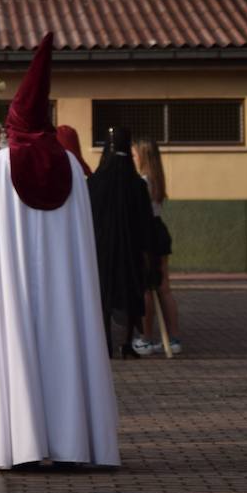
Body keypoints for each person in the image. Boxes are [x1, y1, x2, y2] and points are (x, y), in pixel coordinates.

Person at [0, 34, 119, 471]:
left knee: (17, 346)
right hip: (65, 292)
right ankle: (71, 443)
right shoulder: (68, 164)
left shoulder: (0, 166)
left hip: (14, 289)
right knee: (66, 343)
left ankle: (19, 443)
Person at [87, 127, 152, 359]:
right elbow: (146, 220)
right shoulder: (137, 184)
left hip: (101, 247)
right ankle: (126, 343)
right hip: (130, 248)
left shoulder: (95, 181)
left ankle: (104, 342)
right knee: (130, 291)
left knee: (103, 294)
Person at [135, 137, 181, 354]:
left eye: (135, 155)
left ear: (142, 156)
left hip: (147, 234)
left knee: (146, 287)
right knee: (164, 288)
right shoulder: (158, 179)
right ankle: (173, 339)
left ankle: (146, 338)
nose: (133, 159)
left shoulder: (142, 182)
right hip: (160, 230)